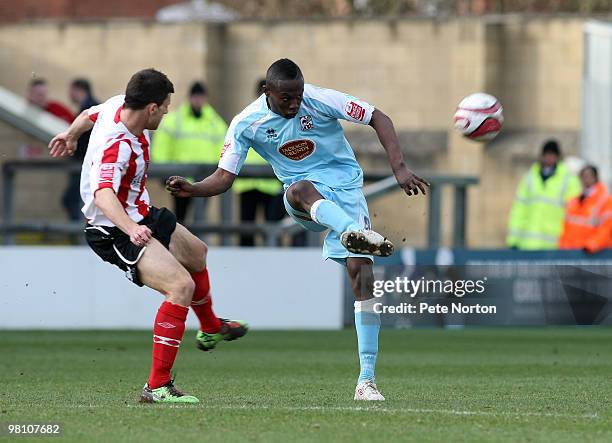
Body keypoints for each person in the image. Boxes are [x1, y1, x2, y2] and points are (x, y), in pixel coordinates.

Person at [166, 58, 429, 401]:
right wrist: (194, 188)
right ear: (267, 92)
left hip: (346, 189)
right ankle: (352, 231)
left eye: (298, 95)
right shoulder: (247, 123)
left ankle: (366, 381)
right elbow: (224, 177)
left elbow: (378, 117)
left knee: (362, 275)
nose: (294, 103)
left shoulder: (319, 99)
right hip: (302, 196)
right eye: (286, 97)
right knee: (300, 187)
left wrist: (399, 168)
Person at [48, 69, 248, 404]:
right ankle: (156, 387)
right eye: (166, 106)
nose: (169, 112)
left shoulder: (115, 106)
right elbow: (103, 195)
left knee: (197, 253)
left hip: (140, 212)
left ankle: (211, 326)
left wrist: (70, 135)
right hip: (113, 228)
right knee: (180, 287)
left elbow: (86, 115)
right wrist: (131, 228)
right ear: (151, 108)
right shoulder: (119, 145)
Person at [152, 81, 227, 223]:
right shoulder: (176, 119)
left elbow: (225, 147)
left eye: (201, 97)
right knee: (180, 218)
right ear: (190, 98)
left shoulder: (214, 122)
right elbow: (162, 144)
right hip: (181, 178)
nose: (198, 101)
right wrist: (164, 171)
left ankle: (195, 243)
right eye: (195, 97)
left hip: (205, 179)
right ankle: (180, 243)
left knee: (200, 219)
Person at [234, 79, 284, 246]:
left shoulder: (277, 117)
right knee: (247, 227)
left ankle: (272, 256)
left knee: (271, 227)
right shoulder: (248, 116)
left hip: (270, 183)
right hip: (248, 182)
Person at [507, 140, 581, 250]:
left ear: (557, 157)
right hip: (528, 244)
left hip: (555, 245)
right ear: (542, 156)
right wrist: (513, 240)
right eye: (547, 154)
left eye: (552, 155)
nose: (549, 158)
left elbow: (575, 214)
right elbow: (519, 210)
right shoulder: (529, 178)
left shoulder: (569, 180)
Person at [61, 78, 100, 221]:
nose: (69, 94)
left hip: (87, 164)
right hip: (86, 163)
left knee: (73, 200)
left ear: (79, 90)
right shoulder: (91, 107)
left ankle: (78, 235)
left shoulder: (91, 109)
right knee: (75, 199)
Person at [560, 165, 612, 253]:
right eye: (583, 176)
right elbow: (566, 228)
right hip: (573, 252)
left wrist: (592, 244)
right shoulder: (573, 201)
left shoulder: (605, 200)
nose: (585, 179)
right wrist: (563, 248)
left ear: (595, 178)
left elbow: (607, 228)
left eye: (588, 176)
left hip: (595, 253)